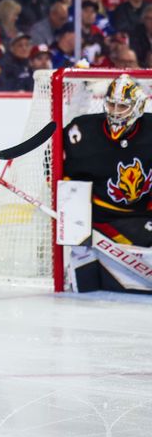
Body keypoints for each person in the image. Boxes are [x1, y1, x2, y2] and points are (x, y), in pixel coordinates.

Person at [63, 74, 152, 293]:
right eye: (111, 104)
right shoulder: (82, 131)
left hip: (143, 213)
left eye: (122, 106)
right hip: (105, 216)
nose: (114, 111)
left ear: (138, 107)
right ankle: (83, 259)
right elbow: (55, 168)